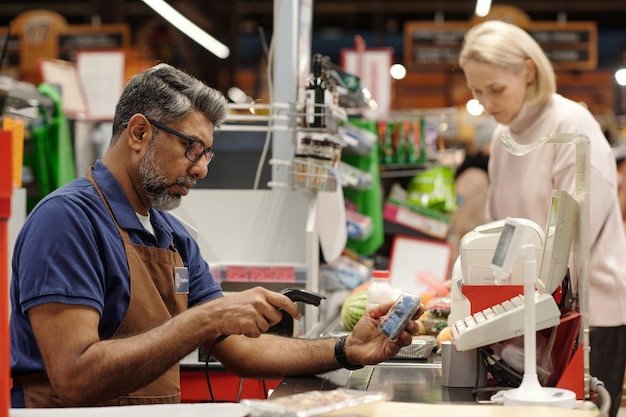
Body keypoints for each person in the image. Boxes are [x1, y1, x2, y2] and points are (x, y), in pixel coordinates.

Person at [10, 63, 420, 407]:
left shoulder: (172, 235)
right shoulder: (67, 221)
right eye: (192, 148)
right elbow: (74, 376)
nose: (202, 169)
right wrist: (204, 318)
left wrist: (347, 349)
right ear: (139, 133)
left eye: (207, 154)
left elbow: (241, 349)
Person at [459, 20, 626, 417]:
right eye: (476, 91)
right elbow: (497, 227)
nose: (486, 103)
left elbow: (576, 239)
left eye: (495, 89)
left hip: (589, 315)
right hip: (527, 316)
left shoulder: (571, 128)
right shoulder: (504, 138)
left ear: (528, 71)